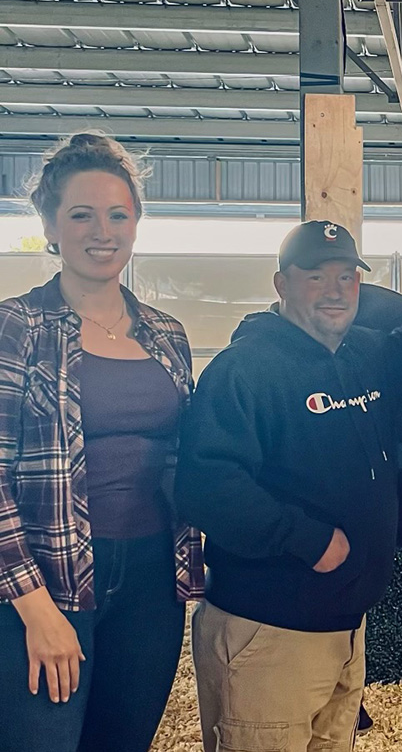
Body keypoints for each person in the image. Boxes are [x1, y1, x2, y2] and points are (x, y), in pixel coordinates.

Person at [174, 220, 402, 752]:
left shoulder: (360, 358)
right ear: (281, 285)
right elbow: (205, 484)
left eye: (347, 277)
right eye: (317, 276)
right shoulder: (245, 371)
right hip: (268, 638)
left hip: (345, 637)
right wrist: (308, 540)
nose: (335, 291)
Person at [0, 132, 204, 752]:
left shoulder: (167, 334)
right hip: (47, 582)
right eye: (81, 214)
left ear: (137, 223)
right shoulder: (18, 326)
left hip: (151, 585)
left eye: (118, 214)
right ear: (50, 226)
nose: (102, 231)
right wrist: (35, 608)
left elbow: (187, 462)